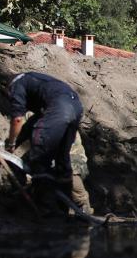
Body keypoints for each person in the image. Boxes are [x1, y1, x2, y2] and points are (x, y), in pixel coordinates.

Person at [5, 71, 90, 213]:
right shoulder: (44, 89)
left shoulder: (17, 84)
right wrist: (17, 142)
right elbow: (27, 127)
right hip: (76, 107)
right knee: (64, 165)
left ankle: (47, 208)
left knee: (39, 160)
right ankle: (81, 206)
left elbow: (18, 120)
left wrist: (10, 144)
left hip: (60, 111)